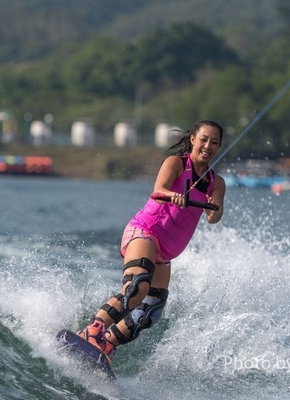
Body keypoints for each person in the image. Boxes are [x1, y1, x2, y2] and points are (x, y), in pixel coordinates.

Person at [77, 119, 226, 360]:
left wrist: (214, 209)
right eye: (204, 140)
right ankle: (91, 331)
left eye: (215, 142)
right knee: (137, 288)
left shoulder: (216, 183)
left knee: (151, 311)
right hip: (146, 232)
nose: (208, 146)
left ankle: (106, 344)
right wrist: (175, 196)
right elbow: (158, 190)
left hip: (166, 252)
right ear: (193, 140)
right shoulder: (176, 163)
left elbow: (214, 216)